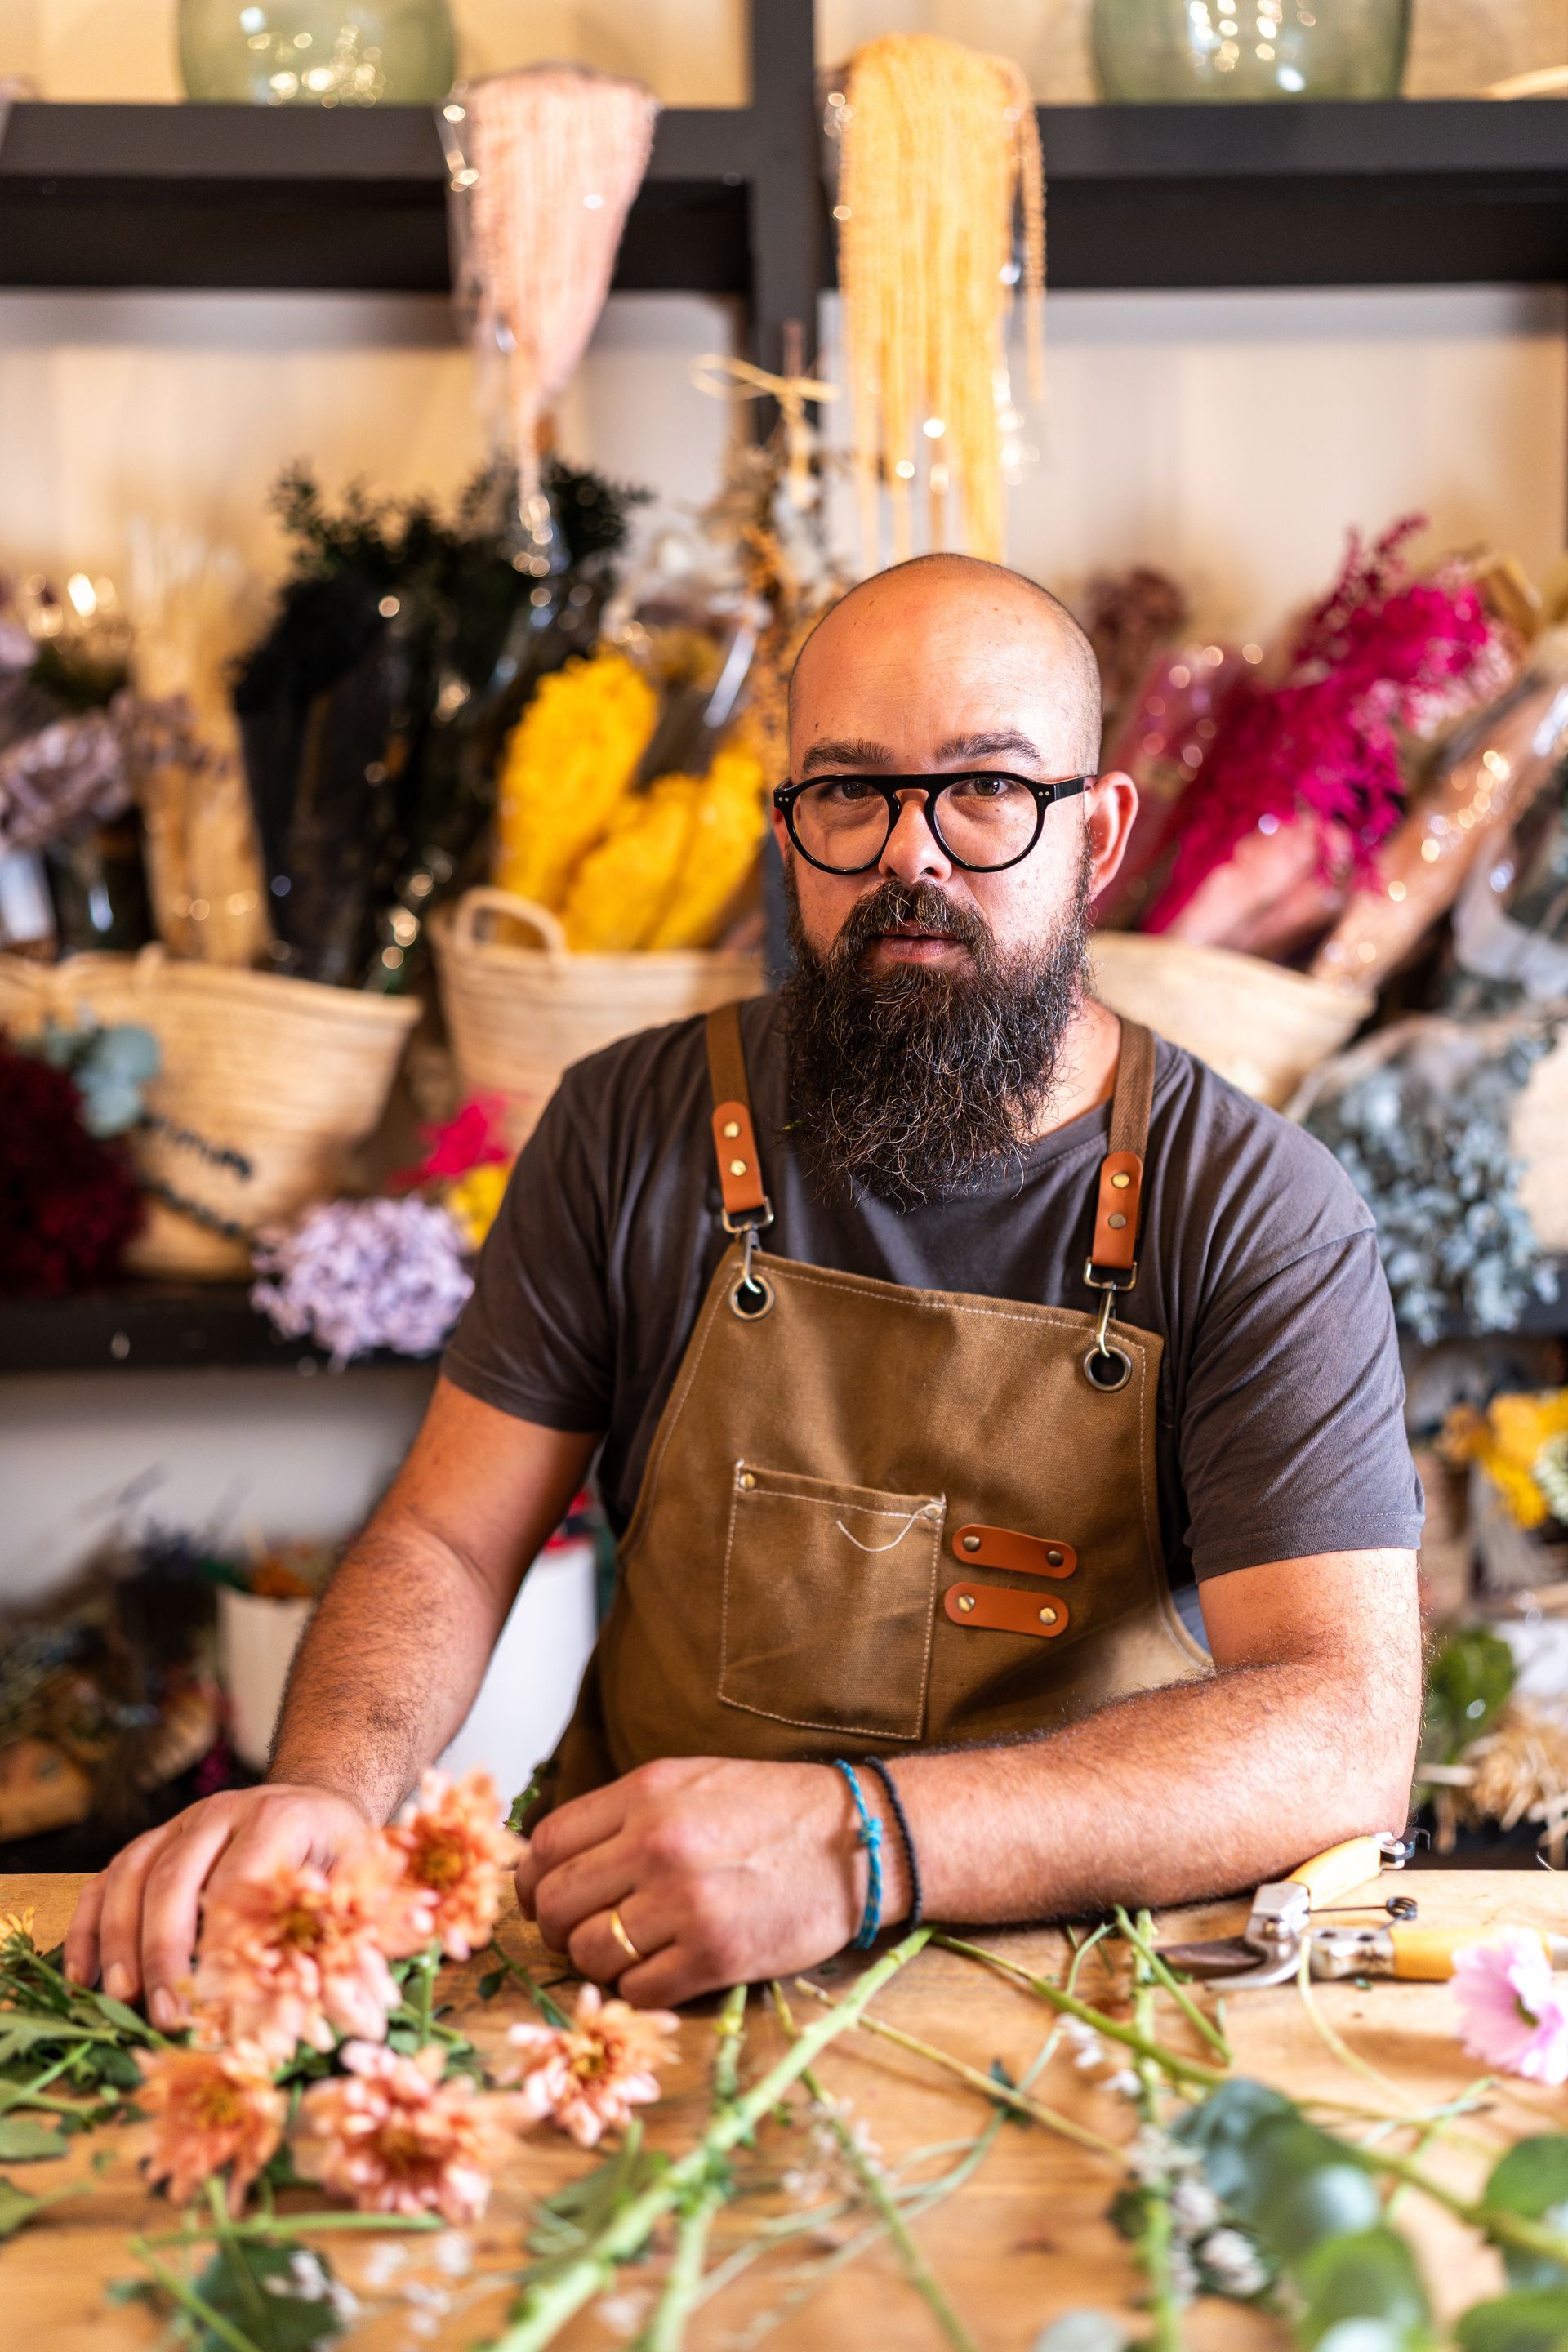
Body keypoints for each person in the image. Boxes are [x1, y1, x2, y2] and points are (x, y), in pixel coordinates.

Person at [66, 554, 1423, 2019]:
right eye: (850, 791)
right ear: (789, 836)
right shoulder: (627, 1125)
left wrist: (864, 1844)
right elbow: (450, 1541)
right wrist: (326, 1790)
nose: (911, 853)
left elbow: (1341, 1725)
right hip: (628, 1988)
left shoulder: (1256, 1212)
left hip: (1064, 2002)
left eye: (986, 790)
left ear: (1094, 838)